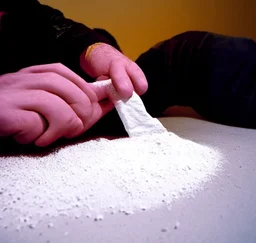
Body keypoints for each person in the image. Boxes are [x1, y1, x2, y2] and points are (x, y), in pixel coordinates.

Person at [0, 1, 256, 148]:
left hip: (90, 95)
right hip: (31, 119)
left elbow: (34, 17)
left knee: (189, 53)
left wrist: (92, 46)